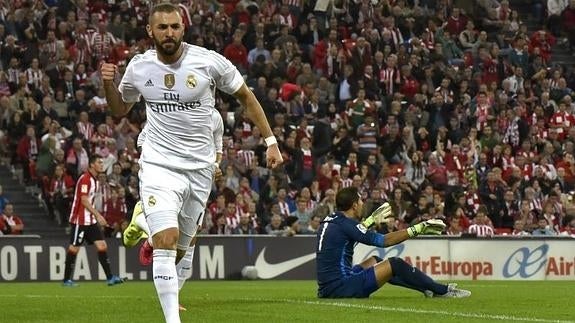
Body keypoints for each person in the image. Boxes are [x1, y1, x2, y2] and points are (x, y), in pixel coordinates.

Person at [101, 4, 282, 321]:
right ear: (150, 31)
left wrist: (271, 141)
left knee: (181, 249)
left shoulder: (209, 62)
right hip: (159, 163)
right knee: (166, 242)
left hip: (198, 171)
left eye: (174, 26)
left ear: (183, 28)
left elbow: (247, 98)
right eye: (162, 28)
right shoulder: (140, 67)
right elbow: (119, 110)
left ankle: (144, 222)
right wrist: (108, 84)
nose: (168, 33)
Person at [122, 106, 226, 312]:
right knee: (170, 233)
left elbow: (218, 150)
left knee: (191, 236)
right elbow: (142, 140)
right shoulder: (168, 107)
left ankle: (145, 228)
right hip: (165, 176)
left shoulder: (215, 118)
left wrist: (215, 166)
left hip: (197, 178)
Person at [316, 187, 471, 299]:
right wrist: (418, 229)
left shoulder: (332, 220)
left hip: (328, 287)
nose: (363, 204)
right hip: (342, 287)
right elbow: (384, 241)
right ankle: (442, 290)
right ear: (354, 205)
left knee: (376, 261)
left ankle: (426, 288)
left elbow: (350, 237)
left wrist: (369, 221)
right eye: (361, 201)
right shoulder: (347, 225)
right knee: (395, 263)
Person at [62, 155, 124, 287]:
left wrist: (95, 216)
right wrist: (98, 215)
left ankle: (110, 278)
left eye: (102, 162)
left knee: (102, 245)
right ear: (91, 165)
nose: (102, 164)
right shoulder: (85, 179)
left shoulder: (94, 180)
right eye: (99, 162)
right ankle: (66, 280)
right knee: (74, 249)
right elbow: (84, 200)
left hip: (89, 220)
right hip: (80, 220)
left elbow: (88, 201)